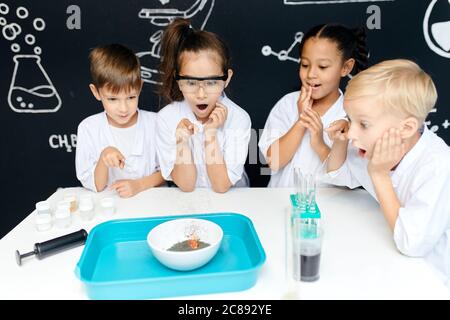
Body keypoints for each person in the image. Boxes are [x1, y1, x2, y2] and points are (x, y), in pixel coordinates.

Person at [325, 59, 450, 285]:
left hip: (431, 281)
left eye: (363, 124)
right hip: (391, 265)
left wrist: (379, 175)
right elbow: (338, 175)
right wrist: (340, 142)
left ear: (406, 128)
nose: (352, 131)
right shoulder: (373, 146)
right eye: (349, 119)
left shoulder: (437, 165)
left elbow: (412, 243)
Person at [258, 23, 368, 187]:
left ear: (346, 67)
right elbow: (273, 161)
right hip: (279, 202)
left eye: (323, 67)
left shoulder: (353, 116)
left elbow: (348, 179)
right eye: (305, 65)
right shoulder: (287, 104)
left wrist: (319, 144)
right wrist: (301, 121)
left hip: (329, 207)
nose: (311, 74)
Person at [156, 18, 251, 193]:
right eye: (191, 83)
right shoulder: (166, 118)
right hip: (190, 203)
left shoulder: (239, 118)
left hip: (234, 201)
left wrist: (210, 135)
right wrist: (182, 141)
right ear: (178, 79)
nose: (201, 95)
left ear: (227, 78)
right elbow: (186, 185)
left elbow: (221, 186)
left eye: (211, 83)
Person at [76, 43, 164, 198]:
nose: (123, 108)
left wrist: (138, 185)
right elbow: (95, 184)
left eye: (131, 97)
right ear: (96, 92)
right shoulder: (88, 128)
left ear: (140, 87)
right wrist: (103, 159)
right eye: (112, 99)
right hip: (110, 209)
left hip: (153, 205)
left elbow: (170, 170)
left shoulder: (155, 123)